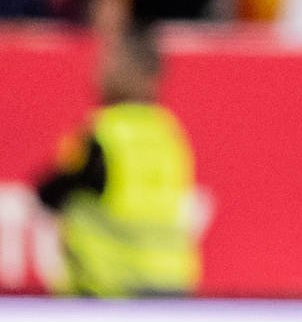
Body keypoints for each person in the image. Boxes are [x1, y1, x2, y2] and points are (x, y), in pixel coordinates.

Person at [35, 29, 201, 297]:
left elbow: (51, 192)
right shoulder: (169, 133)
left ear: (141, 75)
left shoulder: (104, 134)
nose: (99, 73)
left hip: (109, 285)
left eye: (110, 63)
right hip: (170, 280)